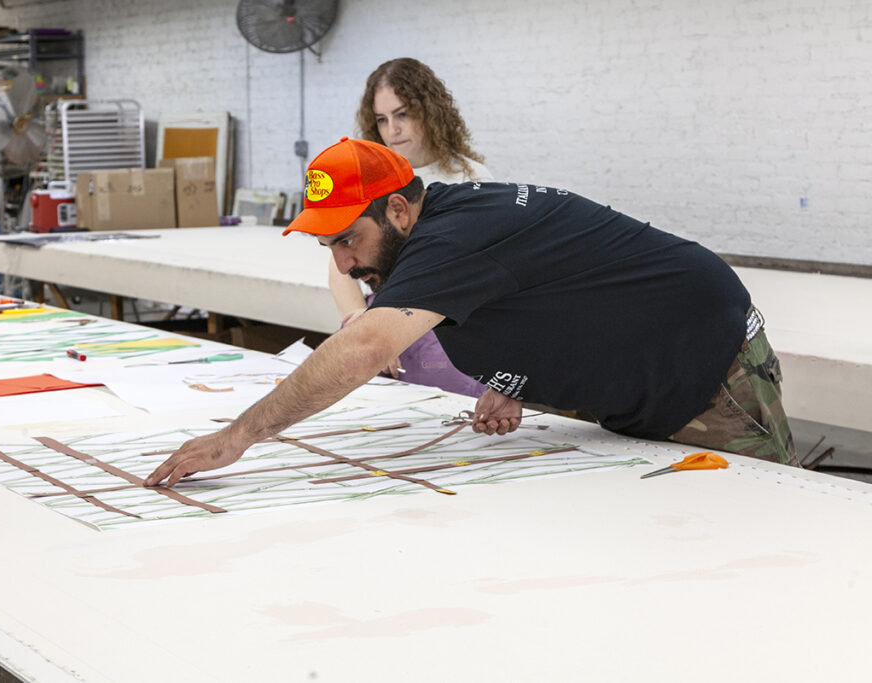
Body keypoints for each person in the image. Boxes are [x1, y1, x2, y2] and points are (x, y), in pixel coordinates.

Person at [145, 137, 797, 488]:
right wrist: (510, 374)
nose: (343, 264)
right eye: (329, 246)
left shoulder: (450, 237)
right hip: (638, 383)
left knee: (762, 524)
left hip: (706, 370)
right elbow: (548, 286)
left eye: (349, 239)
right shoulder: (441, 237)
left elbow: (366, 347)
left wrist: (240, 435)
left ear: (399, 210)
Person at [328, 58, 490, 398]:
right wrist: (358, 318)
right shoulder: (373, 177)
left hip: (452, 327)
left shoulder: (471, 177)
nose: (392, 130)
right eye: (382, 120)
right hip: (386, 326)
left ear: (431, 111)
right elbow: (340, 261)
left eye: (402, 115)